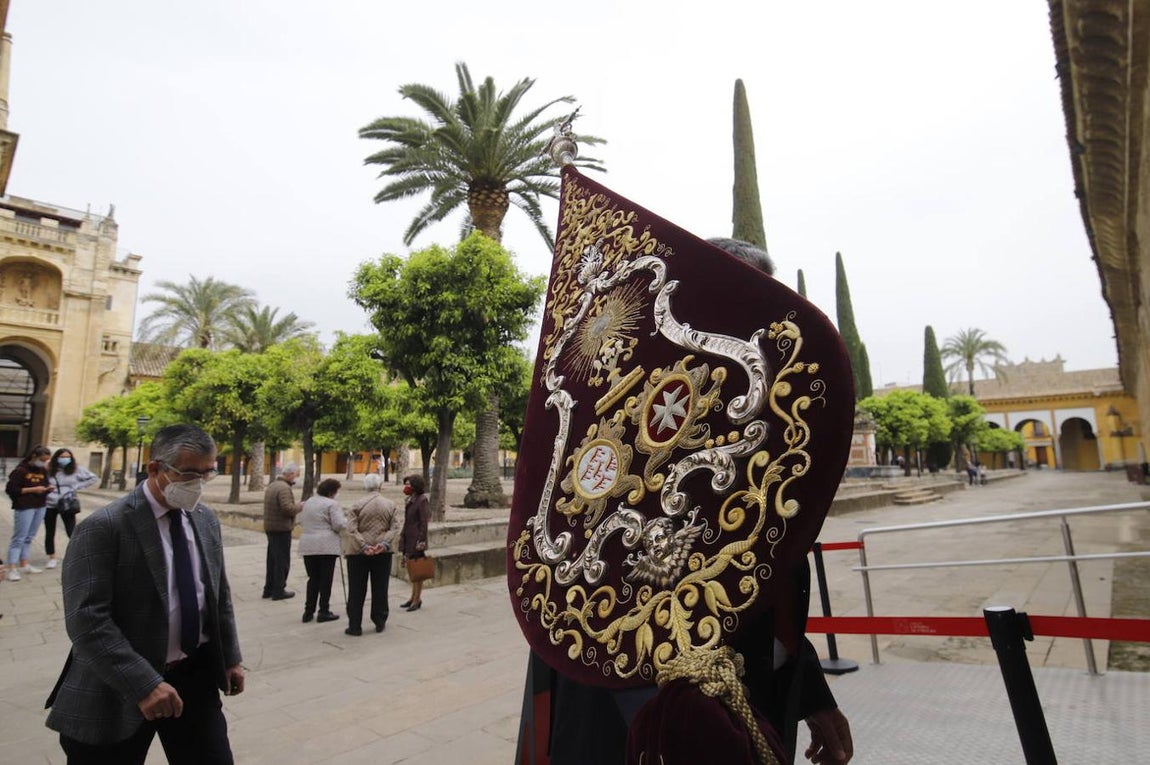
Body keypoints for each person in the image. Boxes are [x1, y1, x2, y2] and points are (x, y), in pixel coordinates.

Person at [539, 238, 852, 765]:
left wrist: (812, 696)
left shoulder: (758, 427)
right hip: (643, 721)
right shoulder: (632, 430)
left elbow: (762, 585)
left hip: (758, 706)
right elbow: (613, 604)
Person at [44, 424, 244, 764]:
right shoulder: (105, 527)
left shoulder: (205, 519)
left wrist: (230, 657)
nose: (197, 484)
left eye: (207, 473)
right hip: (118, 687)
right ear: (155, 469)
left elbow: (216, 595)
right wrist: (143, 684)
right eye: (188, 473)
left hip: (193, 678)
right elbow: (87, 621)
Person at [343, 473, 400, 635]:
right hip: (382, 553)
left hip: (358, 554)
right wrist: (383, 544)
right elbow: (395, 527)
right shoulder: (390, 505)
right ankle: (380, 620)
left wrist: (364, 545)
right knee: (380, 587)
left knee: (356, 589)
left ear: (365, 487)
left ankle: (354, 625)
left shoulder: (356, 505)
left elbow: (351, 529)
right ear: (380, 486)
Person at [298, 478, 345, 624]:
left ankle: (308, 611)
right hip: (326, 545)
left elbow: (302, 520)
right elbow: (338, 524)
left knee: (313, 579)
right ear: (332, 492)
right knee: (326, 580)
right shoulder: (332, 504)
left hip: (308, 544)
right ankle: (323, 610)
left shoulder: (309, 502)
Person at [44, 448, 99, 569]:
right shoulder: (49, 469)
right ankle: (51, 557)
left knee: (71, 531)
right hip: (50, 503)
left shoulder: (76, 469)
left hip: (67, 503)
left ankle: (78, 555)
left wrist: (76, 486)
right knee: (50, 531)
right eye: (62, 456)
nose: (65, 459)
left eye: (67, 456)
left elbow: (93, 478)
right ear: (57, 457)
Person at [5, 445, 52, 581]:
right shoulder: (21, 470)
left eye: (46, 460)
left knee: (29, 536)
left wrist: (47, 489)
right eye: (42, 459)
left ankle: (24, 563)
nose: (44, 463)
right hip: (25, 506)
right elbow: (12, 490)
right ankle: (12, 567)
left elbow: (44, 484)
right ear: (34, 456)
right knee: (19, 537)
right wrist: (32, 490)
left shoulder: (42, 470)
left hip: (40, 505)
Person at [262, 463, 301, 600]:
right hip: (281, 528)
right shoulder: (284, 488)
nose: (296, 477)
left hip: (270, 527)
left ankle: (268, 588)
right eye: (296, 474)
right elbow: (287, 509)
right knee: (282, 561)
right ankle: (279, 589)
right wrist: (299, 507)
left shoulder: (273, 485)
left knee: (272, 559)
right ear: (290, 474)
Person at [398, 473, 430, 612]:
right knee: (411, 568)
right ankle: (412, 597)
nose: (406, 487)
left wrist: (421, 540)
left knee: (418, 571)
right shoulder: (411, 499)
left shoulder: (422, 500)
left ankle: (417, 599)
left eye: (409, 484)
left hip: (416, 539)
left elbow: (424, 522)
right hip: (408, 538)